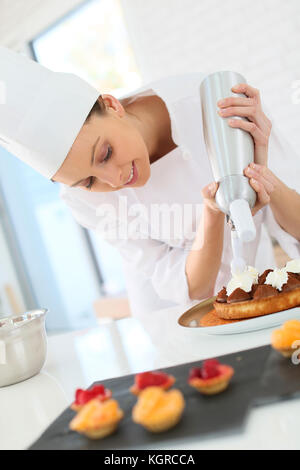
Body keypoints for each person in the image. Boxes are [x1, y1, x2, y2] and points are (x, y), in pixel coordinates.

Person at [1, 47, 300, 318]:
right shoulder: (81, 199)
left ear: (111, 104)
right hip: (169, 319)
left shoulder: (212, 105)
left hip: (254, 298)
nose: (114, 179)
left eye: (105, 154)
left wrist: (262, 172)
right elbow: (193, 288)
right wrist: (212, 214)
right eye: (89, 181)